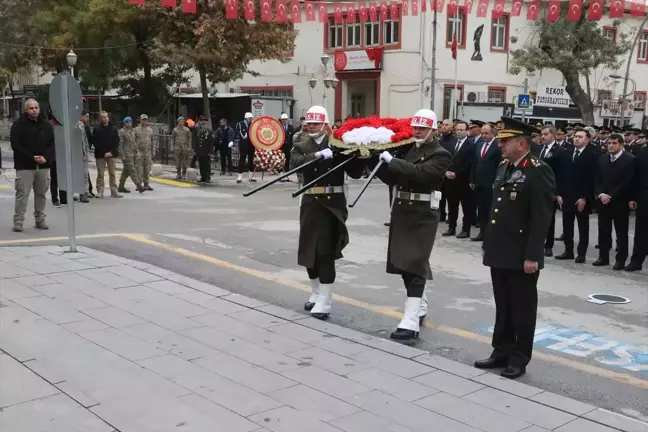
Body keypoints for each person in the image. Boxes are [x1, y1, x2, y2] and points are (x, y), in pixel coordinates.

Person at [475, 117, 555, 379]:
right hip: (500, 249)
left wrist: (533, 255)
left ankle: (519, 358)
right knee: (503, 304)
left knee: (522, 307)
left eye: (504, 141)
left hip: (522, 253)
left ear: (521, 143)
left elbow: (541, 217)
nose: (500, 145)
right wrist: (488, 244)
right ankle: (501, 350)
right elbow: (495, 210)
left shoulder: (538, 169)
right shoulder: (504, 167)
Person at [374, 109, 452, 342]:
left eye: (422, 128)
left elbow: (420, 174)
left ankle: (410, 322)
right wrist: (379, 162)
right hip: (403, 210)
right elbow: (397, 177)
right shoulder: (408, 149)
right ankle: (419, 303)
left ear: (433, 130)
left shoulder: (441, 154)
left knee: (415, 263)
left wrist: (393, 161)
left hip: (423, 213)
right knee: (403, 263)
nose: (417, 132)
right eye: (415, 128)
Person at [290, 105, 364, 320]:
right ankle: (315, 292)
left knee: (325, 251)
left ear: (325, 124)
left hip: (332, 203)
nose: (310, 127)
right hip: (311, 201)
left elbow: (356, 173)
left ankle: (326, 299)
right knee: (308, 250)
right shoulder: (301, 145)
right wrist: (317, 155)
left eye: (315, 123)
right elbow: (294, 164)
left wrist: (357, 153)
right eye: (308, 123)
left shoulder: (340, 145)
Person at [10, 99, 55, 232]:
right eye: (31, 108)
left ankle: (40, 219)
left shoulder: (46, 125)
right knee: (22, 194)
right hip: (25, 165)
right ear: (26, 110)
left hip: (43, 165)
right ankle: (18, 221)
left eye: (36, 107)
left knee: (41, 193)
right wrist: (32, 157)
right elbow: (16, 145)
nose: (34, 110)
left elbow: (52, 144)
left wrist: (45, 157)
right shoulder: (18, 125)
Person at [554, 127, 597, 263]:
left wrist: (584, 196)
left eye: (580, 137)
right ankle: (568, 251)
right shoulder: (566, 153)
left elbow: (592, 179)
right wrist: (559, 194)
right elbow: (560, 175)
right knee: (567, 224)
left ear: (587, 139)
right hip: (566, 195)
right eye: (575, 136)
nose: (576, 139)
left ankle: (581, 253)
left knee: (583, 226)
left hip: (582, 197)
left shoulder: (592, 155)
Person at [593, 133, 635, 270]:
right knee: (603, 230)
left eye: (614, 143)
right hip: (603, 200)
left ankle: (621, 260)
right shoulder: (602, 159)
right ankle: (603, 257)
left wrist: (611, 196)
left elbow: (627, 182)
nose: (610, 146)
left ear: (621, 144)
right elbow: (596, 179)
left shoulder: (630, 160)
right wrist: (600, 194)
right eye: (609, 143)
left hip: (620, 202)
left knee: (621, 232)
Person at [533, 125, 563, 257]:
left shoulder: (560, 151)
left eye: (545, 134)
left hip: (549, 190)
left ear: (553, 135)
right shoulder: (537, 149)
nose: (543, 137)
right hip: (535, 189)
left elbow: (560, 174)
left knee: (549, 219)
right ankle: (536, 243)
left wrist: (557, 192)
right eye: (541, 134)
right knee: (534, 217)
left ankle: (548, 245)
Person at [442, 120, 476, 239]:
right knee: (452, 205)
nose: (459, 132)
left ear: (467, 131)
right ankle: (451, 227)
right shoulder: (453, 143)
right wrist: (447, 172)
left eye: (462, 130)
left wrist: (457, 173)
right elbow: (448, 160)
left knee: (466, 206)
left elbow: (470, 163)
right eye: (458, 130)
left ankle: (465, 230)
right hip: (451, 180)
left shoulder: (471, 145)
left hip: (464, 180)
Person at [470, 122, 501, 241]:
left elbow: (499, 165)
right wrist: (472, 179)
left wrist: (496, 182)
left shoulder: (497, 146)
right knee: (481, 210)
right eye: (482, 133)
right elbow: (474, 163)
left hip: (491, 184)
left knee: (491, 210)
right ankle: (482, 233)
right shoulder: (478, 145)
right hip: (479, 183)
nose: (483, 135)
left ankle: (491, 234)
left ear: (493, 133)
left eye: (486, 133)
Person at [626, 141, 648, 271]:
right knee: (641, 232)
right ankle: (636, 261)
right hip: (644, 197)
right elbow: (635, 176)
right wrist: (633, 197)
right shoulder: (643, 151)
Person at [93, 111, 122, 199]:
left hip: (111, 154)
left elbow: (116, 142)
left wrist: (111, 152)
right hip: (100, 155)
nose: (105, 119)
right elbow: (95, 143)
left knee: (112, 173)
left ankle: (114, 191)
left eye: (106, 117)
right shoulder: (97, 129)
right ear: (100, 119)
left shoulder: (113, 129)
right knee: (100, 174)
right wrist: (103, 153)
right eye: (103, 117)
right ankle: (100, 191)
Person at [118, 117, 145, 193]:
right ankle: (139, 186)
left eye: (130, 122)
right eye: (127, 122)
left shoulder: (132, 131)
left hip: (133, 154)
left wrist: (137, 151)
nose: (129, 124)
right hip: (126, 155)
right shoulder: (122, 132)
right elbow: (120, 144)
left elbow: (134, 142)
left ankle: (121, 187)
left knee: (126, 171)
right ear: (124, 123)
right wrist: (122, 155)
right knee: (132, 170)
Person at [134, 114, 154, 191]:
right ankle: (138, 185)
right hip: (139, 152)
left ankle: (146, 184)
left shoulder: (150, 130)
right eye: (143, 119)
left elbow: (152, 141)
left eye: (145, 120)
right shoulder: (136, 130)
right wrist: (135, 152)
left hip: (148, 152)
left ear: (147, 121)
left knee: (147, 169)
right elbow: (133, 141)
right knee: (139, 169)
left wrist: (153, 151)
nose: (144, 121)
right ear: (140, 120)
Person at [75, 111, 91, 203]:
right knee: (77, 174)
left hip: (83, 153)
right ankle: (75, 193)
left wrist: (86, 151)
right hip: (76, 153)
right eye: (86, 116)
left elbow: (84, 139)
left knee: (84, 174)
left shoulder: (82, 125)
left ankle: (84, 193)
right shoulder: (74, 123)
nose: (88, 119)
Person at [236, 112, 257, 184]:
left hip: (251, 145)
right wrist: (232, 141)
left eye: (251, 118)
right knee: (242, 160)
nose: (251, 119)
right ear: (246, 118)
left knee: (251, 160)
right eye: (250, 118)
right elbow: (236, 133)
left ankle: (251, 176)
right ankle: (240, 176)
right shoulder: (240, 124)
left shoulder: (253, 124)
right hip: (243, 145)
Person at [193, 115, 214, 183]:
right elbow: (196, 141)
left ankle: (207, 177)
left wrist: (210, 151)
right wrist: (195, 150)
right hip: (200, 150)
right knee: (201, 164)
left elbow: (211, 143)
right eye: (202, 124)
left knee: (207, 165)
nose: (203, 125)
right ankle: (203, 177)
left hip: (206, 151)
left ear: (207, 125)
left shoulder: (210, 132)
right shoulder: (199, 132)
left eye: (205, 124)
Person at [279, 113, 295, 181]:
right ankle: (280, 175)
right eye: (283, 119)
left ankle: (287, 174)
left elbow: (293, 138)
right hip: (281, 147)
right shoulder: (279, 127)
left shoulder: (291, 127)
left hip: (288, 147)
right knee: (280, 160)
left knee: (287, 160)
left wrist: (292, 146)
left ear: (287, 120)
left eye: (285, 119)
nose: (284, 121)